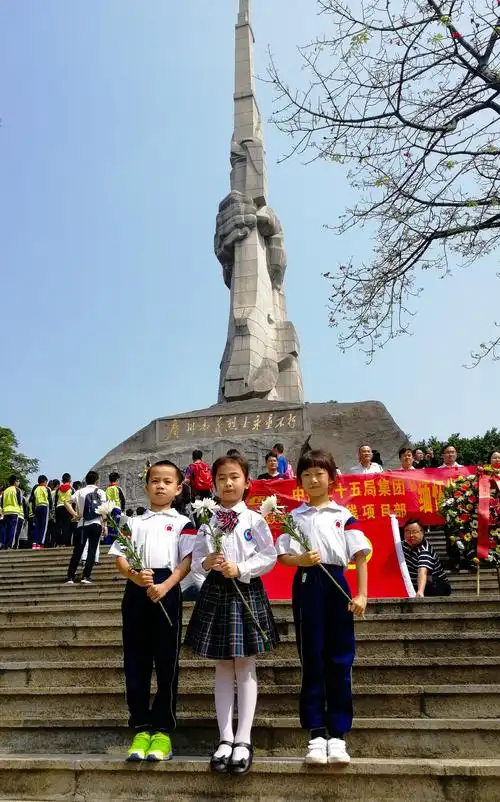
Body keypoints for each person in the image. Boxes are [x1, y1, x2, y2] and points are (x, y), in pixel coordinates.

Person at [185, 454, 279, 776]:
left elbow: (269, 555)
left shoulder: (255, 520)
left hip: (246, 590)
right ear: (213, 484)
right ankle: (225, 738)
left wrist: (241, 568)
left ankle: (244, 738)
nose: (228, 482)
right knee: (223, 665)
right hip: (218, 594)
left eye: (234, 476)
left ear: (246, 482)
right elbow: (197, 561)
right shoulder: (208, 521)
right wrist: (209, 562)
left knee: (245, 663)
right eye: (222, 477)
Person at [276, 445, 369, 766]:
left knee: (339, 659)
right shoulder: (294, 517)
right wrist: (300, 559)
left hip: (337, 584)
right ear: (299, 480)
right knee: (312, 657)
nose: (313, 479)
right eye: (307, 474)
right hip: (306, 585)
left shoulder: (344, 516)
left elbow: (359, 555)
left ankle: (338, 734)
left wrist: (361, 595)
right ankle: (316, 732)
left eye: (320, 473)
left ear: (331, 478)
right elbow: (283, 556)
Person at [108, 460, 195, 762]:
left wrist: (167, 585)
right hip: (137, 590)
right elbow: (120, 557)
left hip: (166, 591)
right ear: (146, 486)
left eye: (167, 481)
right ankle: (141, 726)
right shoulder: (132, 522)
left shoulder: (184, 523)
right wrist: (133, 575)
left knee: (167, 661)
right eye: (155, 480)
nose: (160, 485)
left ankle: (162, 730)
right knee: (136, 661)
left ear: (178, 488)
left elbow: (186, 561)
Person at [64, 470, 106, 584]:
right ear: (97, 480)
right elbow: (103, 510)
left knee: (78, 551)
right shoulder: (101, 492)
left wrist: (75, 515)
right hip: (96, 523)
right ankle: (86, 576)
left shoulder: (79, 492)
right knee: (92, 550)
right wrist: (104, 525)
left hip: (82, 524)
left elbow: (66, 502)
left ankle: (70, 577)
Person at [402, 519, 451, 597]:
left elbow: (422, 571)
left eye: (415, 532)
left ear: (422, 533)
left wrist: (420, 591)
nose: (411, 535)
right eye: (408, 532)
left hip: (438, 585)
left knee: (429, 580)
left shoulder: (424, 550)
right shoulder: (401, 546)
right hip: (413, 584)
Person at [0, 476, 24, 549]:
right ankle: (10, 545)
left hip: (6, 511)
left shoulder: (5, 491)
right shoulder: (17, 490)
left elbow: (1, 503)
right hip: (14, 511)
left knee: (6, 529)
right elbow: (20, 502)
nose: (18, 483)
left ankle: (4, 544)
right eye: (18, 481)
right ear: (15, 482)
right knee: (12, 529)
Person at [30, 475, 53, 549]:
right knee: (43, 526)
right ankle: (41, 543)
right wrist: (51, 509)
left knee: (37, 525)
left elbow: (33, 500)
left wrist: (33, 511)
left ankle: (34, 543)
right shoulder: (47, 488)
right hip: (44, 507)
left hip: (37, 507)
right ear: (45, 481)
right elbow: (50, 500)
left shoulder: (36, 489)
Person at [105, 472, 126, 544]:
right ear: (117, 480)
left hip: (109, 509)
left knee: (110, 525)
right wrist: (122, 509)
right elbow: (122, 499)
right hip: (117, 509)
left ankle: (108, 542)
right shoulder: (118, 488)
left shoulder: (107, 489)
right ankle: (116, 542)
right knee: (117, 525)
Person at [54, 474, 74, 547]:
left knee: (58, 526)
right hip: (67, 508)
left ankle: (58, 543)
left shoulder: (58, 489)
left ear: (62, 480)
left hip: (59, 508)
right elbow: (73, 501)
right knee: (66, 526)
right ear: (70, 480)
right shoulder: (71, 489)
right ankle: (64, 543)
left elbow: (55, 501)